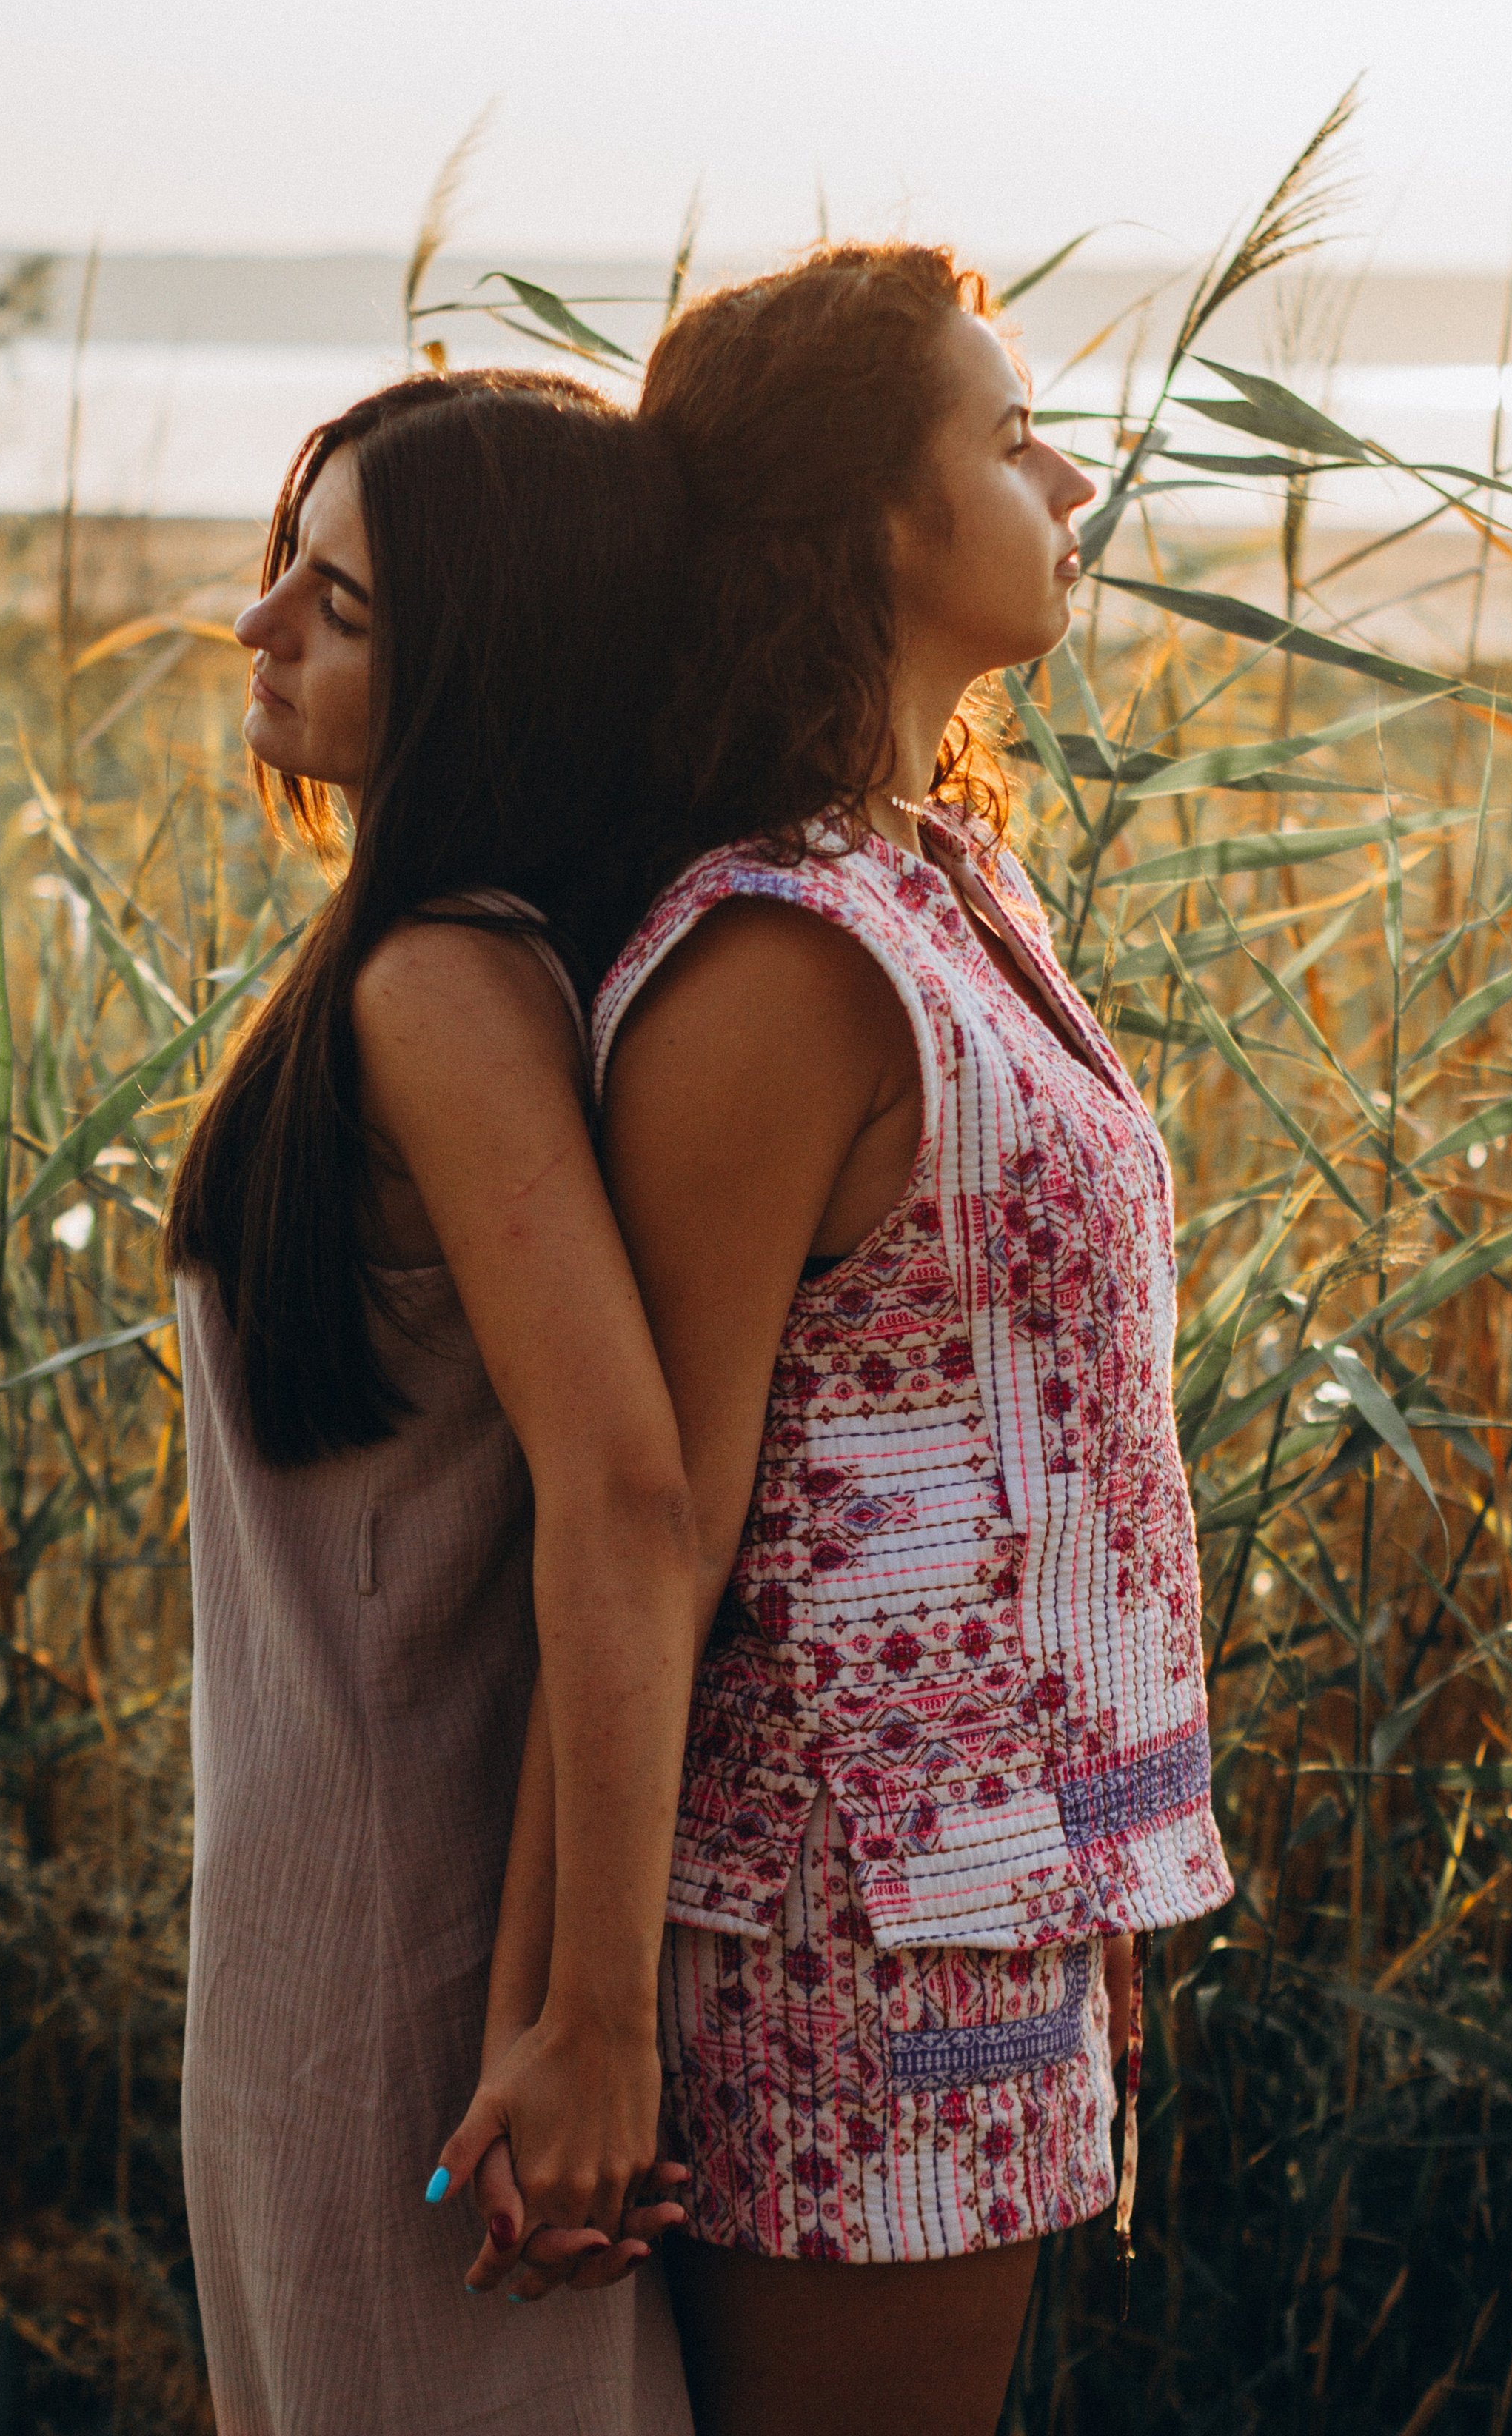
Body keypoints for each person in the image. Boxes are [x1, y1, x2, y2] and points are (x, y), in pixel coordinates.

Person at [586, 244, 1236, 2436]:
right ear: (874, 513)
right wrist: (580, 2017)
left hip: (996, 1892)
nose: (1066, 471)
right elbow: (650, 1518)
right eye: (1006, 428)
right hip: (835, 1932)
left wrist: (1081, 1887)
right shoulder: (777, 960)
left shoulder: (944, 880)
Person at [164, 369, 700, 2436]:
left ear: (492, 669)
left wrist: (591, 2020)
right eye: (289, 566)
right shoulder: (414, 961)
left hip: (409, 1960)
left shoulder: (446, 986)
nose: (260, 623)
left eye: (344, 603)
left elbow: (630, 1496)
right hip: (316, 1935)